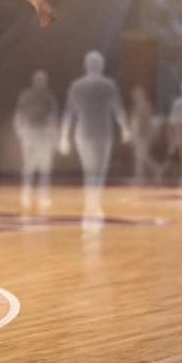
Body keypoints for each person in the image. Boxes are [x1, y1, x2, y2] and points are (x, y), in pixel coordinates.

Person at [59, 51, 130, 230]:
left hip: (83, 133)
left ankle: (90, 207)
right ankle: (94, 207)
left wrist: (63, 137)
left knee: (89, 171)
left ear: (86, 65)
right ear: (101, 65)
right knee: (98, 171)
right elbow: (118, 109)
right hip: (102, 133)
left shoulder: (77, 85)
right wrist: (125, 128)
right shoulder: (108, 85)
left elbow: (69, 113)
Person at [14, 70, 60, 210]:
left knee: (32, 167)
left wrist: (20, 132)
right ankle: (38, 197)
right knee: (40, 168)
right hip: (38, 136)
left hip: (33, 136)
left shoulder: (28, 96)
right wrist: (55, 138)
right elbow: (53, 119)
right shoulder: (47, 97)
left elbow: (18, 116)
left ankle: (29, 195)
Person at [128, 86, 161, 186]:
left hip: (144, 135)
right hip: (140, 135)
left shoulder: (144, 107)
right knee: (139, 158)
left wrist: (139, 134)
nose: (135, 96)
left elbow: (145, 122)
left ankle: (157, 169)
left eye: (137, 94)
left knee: (142, 156)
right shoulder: (138, 107)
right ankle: (139, 178)